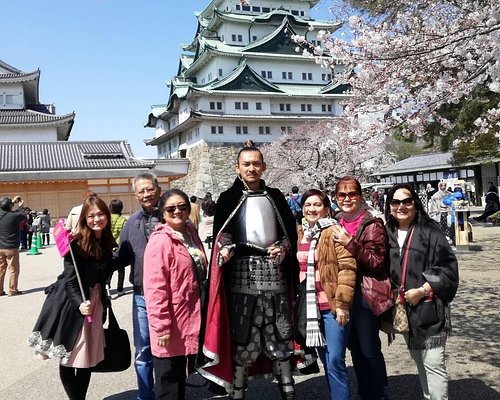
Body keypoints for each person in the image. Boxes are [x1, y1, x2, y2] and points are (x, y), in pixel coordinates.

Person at [198, 144, 298, 399]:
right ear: (238, 168)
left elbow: (289, 234)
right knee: (242, 338)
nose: (251, 168)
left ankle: (288, 391)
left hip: (275, 274)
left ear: (263, 166)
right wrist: (224, 248)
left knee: (280, 335)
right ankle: (238, 393)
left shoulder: (275, 196)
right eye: (246, 164)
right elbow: (224, 233)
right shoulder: (228, 198)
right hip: (241, 276)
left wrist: (284, 248)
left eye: (256, 163)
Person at [28, 194, 117, 399]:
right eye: (91, 216)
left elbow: (106, 270)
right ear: (84, 218)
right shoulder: (75, 243)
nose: (96, 219)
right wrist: (79, 304)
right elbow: (69, 281)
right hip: (72, 303)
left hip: (94, 300)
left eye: (100, 214)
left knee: (87, 357)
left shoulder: (106, 240)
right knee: (68, 357)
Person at [385, 183, 459, 400]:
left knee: (434, 362)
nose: (401, 206)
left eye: (406, 201)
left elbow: (448, 267)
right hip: (404, 311)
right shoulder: (387, 231)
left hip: (429, 307)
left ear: (415, 204)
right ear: (389, 205)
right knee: (419, 360)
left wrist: (423, 289)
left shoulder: (430, 230)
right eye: (396, 202)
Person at [143, 189, 207, 399]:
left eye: (182, 206)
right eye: (171, 208)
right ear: (162, 212)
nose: (177, 211)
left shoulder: (190, 232)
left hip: (188, 318)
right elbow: (155, 289)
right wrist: (161, 327)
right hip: (170, 322)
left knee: (179, 378)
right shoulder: (161, 241)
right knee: (168, 381)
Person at [297, 188, 356, 400]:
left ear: (326, 208)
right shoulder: (304, 233)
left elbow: (347, 268)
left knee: (335, 360)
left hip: (332, 306)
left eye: (317, 205)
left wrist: (342, 304)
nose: (312, 209)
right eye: (308, 205)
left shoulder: (333, 231)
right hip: (312, 309)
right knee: (326, 360)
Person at [332, 177, 388, 400]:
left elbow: (376, 262)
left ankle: (379, 394)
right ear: (336, 198)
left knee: (369, 350)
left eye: (352, 194)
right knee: (354, 349)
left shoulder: (372, 224)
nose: (347, 199)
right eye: (341, 195)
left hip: (364, 294)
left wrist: (350, 243)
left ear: (360, 196)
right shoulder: (334, 221)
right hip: (343, 294)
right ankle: (365, 392)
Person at [115, 172, 161, 400]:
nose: (146, 194)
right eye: (141, 191)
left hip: (171, 297)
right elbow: (121, 257)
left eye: (150, 189)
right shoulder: (131, 222)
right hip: (142, 296)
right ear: (135, 195)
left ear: (158, 189)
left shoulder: (173, 215)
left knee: (169, 350)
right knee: (143, 349)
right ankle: (145, 395)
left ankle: (168, 393)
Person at [0, 196, 26, 297]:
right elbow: (23, 215)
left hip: (0, 246)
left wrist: (11, 203)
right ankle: (12, 289)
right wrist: (20, 205)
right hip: (11, 247)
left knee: (1, 269)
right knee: (13, 269)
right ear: (10, 206)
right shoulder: (13, 216)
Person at [107, 199, 127, 297]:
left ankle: (107, 286)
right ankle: (120, 289)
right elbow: (124, 235)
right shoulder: (123, 220)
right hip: (118, 248)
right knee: (121, 269)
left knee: (109, 268)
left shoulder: (107, 219)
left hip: (108, 247)